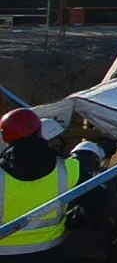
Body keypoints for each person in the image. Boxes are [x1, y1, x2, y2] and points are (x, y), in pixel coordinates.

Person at [0, 108, 84, 261]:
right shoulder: (70, 168)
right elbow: (99, 196)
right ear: (40, 132)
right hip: (50, 251)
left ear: (5, 137)